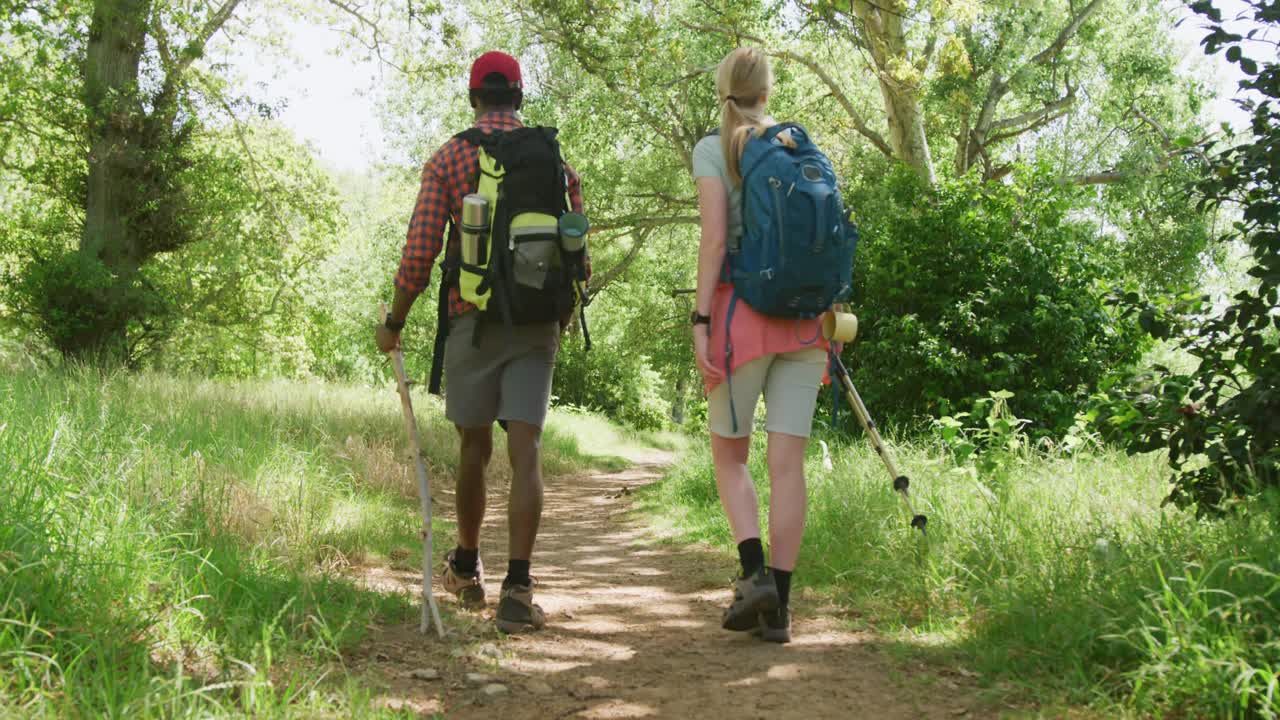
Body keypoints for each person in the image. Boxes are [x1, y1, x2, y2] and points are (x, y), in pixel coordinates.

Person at [376, 50, 587, 633]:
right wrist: (560, 317)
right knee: (528, 452)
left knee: (474, 448)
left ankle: (467, 568)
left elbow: (420, 254)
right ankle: (519, 591)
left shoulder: (450, 158)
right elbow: (579, 252)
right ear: (518, 97)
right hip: (537, 320)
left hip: (471, 318)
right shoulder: (554, 159)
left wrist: (394, 321)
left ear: (475, 97)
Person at [689, 47, 829, 644]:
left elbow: (715, 239)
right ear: (768, 90)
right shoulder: (800, 146)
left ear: (724, 89)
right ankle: (782, 609)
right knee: (787, 466)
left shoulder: (713, 148)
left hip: (740, 319)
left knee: (731, 455)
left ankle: (753, 576)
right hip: (806, 323)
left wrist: (699, 318)